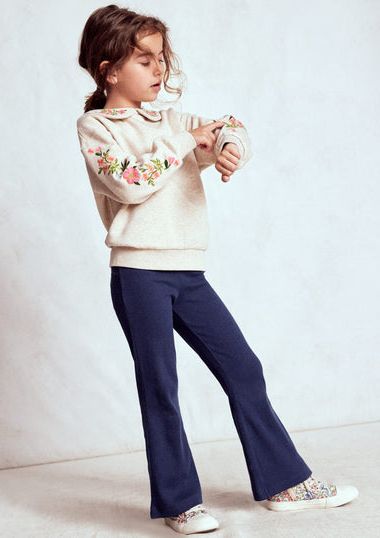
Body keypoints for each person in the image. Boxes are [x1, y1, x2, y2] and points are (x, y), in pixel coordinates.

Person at [76, 4, 358, 535]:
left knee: (243, 368)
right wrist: (189, 142)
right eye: (144, 60)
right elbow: (130, 182)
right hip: (138, 275)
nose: (159, 68)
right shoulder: (96, 127)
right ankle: (179, 502)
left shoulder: (173, 121)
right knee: (160, 386)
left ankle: (284, 483)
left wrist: (228, 148)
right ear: (109, 70)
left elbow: (229, 126)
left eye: (161, 57)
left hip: (188, 273)